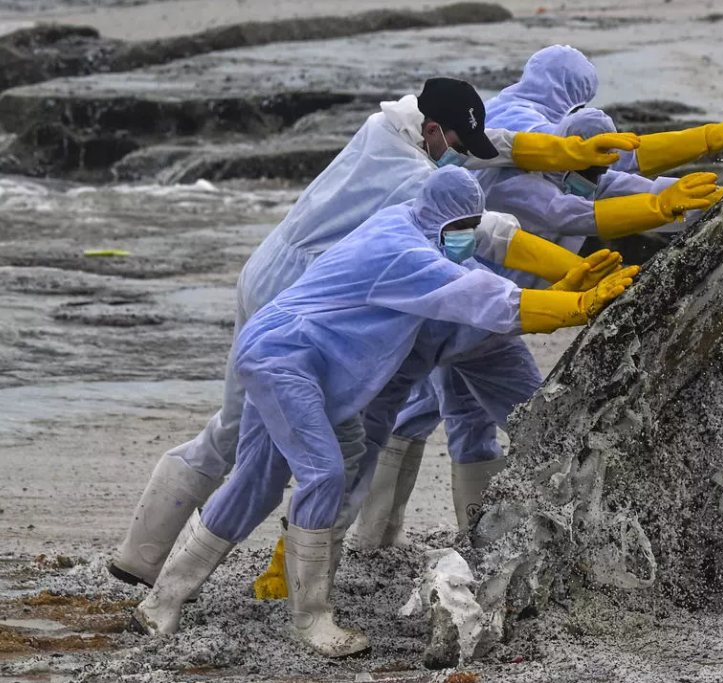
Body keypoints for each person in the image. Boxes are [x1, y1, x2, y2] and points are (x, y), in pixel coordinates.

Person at [109, 77, 640, 590]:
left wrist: (568, 155)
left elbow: (494, 147)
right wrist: (569, 287)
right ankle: (289, 577)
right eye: (456, 141)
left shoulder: (384, 128)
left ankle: (142, 559)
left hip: (267, 271)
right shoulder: (410, 182)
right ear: (432, 130)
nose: (464, 154)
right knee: (318, 449)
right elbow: (489, 237)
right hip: (302, 300)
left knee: (234, 429)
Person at [131, 167, 638, 658]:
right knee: (324, 472)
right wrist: (575, 306)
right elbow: (480, 295)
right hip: (285, 358)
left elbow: (479, 258)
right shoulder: (404, 254)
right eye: (459, 228)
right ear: (441, 221)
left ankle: (163, 601)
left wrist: (563, 283)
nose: (466, 238)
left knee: (256, 481)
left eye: (471, 228)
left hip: (276, 348)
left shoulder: (406, 219)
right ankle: (311, 616)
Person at [348, 107, 723, 550]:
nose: (590, 176)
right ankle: (378, 542)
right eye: (584, 163)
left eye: (597, 167)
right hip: (467, 318)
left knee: (471, 422)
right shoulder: (519, 184)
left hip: (487, 332)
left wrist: (716, 193)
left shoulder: (589, 177)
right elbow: (570, 215)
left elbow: (637, 185)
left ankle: (470, 543)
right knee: (527, 425)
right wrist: (581, 290)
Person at [484, 44, 723, 177]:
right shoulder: (520, 120)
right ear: (571, 94)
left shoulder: (497, 107)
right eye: (581, 102)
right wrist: (704, 139)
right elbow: (590, 154)